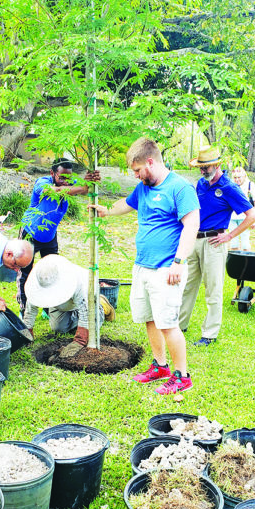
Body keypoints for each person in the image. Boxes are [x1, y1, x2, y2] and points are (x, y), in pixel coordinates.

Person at [89, 137, 200, 395]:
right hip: (143, 266)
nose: (137, 176)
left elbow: (191, 225)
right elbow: (126, 205)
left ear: (150, 161)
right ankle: (160, 366)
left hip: (167, 268)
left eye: (138, 170)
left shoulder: (180, 188)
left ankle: (182, 376)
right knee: (149, 318)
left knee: (168, 322)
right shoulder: (144, 188)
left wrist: (178, 262)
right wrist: (106, 211)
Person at [179, 146, 255, 346]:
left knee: (213, 289)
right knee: (188, 286)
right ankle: (180, 326)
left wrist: (230, 235)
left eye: (206, 167)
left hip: (214, 242)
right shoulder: (201, 184)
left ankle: (209, 334)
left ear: (217, 165)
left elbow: (252, 216)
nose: (202, 171)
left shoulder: (230, 187)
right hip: (195, 240)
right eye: (200, 167)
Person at [17, 158, 101, 317]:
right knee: (25, 272)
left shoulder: (69, 182)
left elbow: (86, 188)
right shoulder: (42, 182)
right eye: (61, 177)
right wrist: (81, 187)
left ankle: (48, 308)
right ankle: (23, 310)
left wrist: (91, 179)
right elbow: (53, 191)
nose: (65, 182)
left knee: (51, 272)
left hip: (49, 235)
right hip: (30, 232)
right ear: (52, 173)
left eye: (68, 178)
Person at [23, 255, 115, 356]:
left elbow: (85, 311)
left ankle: (101, 306)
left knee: (94, 325)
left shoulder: (79, 282)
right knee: (59, 328)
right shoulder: (38, 279)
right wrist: (27, 331)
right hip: (62, 304)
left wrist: (80, 340)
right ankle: (75, 315)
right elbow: (31, 308)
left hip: (85, 300)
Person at [229, 166, 255, 251]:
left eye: (239, 177)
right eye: (235, 177)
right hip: (232, 217)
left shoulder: (250, 185)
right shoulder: (231, 186)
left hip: (245, 217)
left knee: (245, 243)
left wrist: (253, 220)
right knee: (233, 243)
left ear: (244, 176)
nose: (237, 179)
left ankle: (246, 261)